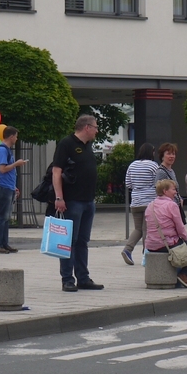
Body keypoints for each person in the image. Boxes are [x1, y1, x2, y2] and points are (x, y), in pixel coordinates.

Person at [52, 114, 102, 292]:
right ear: (87, 127)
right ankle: (67, 279)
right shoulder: (66, 144)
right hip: (72, 201)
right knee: (69, 241)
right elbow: (56, 171)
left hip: (88, 201)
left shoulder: (88, 146)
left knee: (82, 241)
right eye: (95, 127)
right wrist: (59, 197)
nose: (97, 130)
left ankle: (83, 277)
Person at [144, 179, 187, 288]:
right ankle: (184, 274)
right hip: (167, 244)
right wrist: (185, 240)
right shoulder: (171, 205)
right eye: (173, 189)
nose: (176, 192)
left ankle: (181, 275)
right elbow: (180, 227)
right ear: (165, 191)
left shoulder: (150, 205)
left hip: (151, 245)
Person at [121, 143, 158, 265]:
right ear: (150, 153)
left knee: (138, 229)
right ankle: (146, 255)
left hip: (135, 201)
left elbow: (128, 184)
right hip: (149, 202)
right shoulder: (153, 166)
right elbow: (157, 183)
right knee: (147, 229)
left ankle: (127, 249)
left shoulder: (132, 165)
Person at [0, 127, 26, 254]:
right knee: (2, 216)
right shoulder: (2, 150)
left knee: (6, 217)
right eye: (16, 136)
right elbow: (3, 169)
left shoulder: (6, 150)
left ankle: (4, 243)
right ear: (11, 136)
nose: (16, 139)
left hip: (9, 186)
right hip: (3, 186)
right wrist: (16, 164)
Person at [155, 143, 186, 226]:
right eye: (168, 154)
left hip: (176, 207)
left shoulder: (171, 171)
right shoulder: (161, 172)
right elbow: (158, 191)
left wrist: (180, 199)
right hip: (167, 210)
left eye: (173, 154)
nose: (171, 156)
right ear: (162, 156)